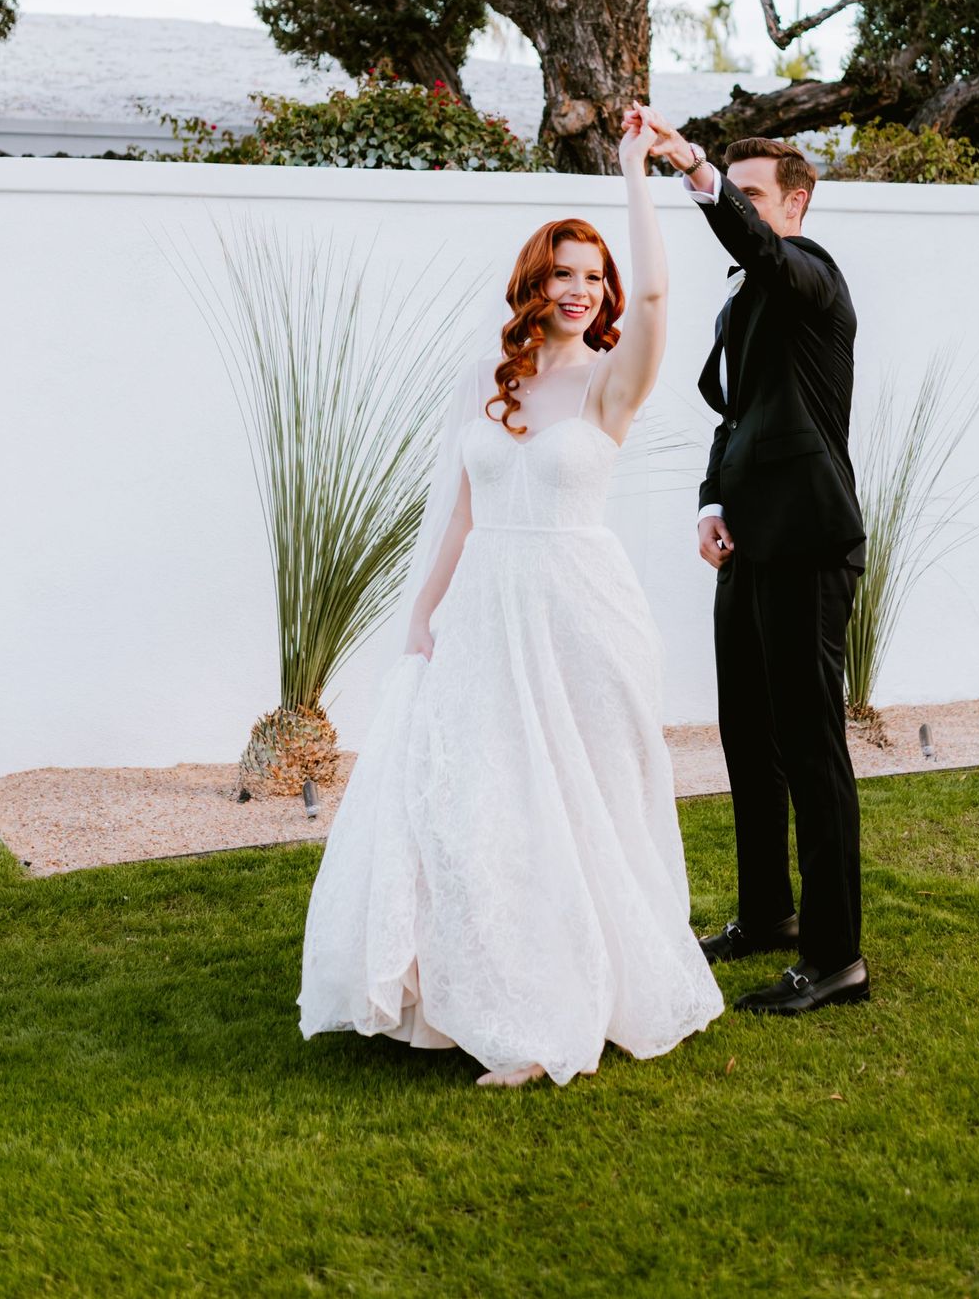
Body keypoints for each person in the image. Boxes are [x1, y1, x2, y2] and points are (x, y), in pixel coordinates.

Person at [298, 104, 723, 1086]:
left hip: (581, 612)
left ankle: (558, 1011)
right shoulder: (489, 383)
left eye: (593, 277)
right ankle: (477, 995)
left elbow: (657, 295)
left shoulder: (614, 383)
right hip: (485, 611)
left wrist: (635, 171)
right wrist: (421, 615)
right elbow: (459, 512)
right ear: (535, 284)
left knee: (577, 806)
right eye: (564, 274)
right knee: (480, 803)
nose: (580, 291)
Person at [639, 115, 870, 1016]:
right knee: (747, 737)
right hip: (745, 545)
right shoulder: (742, 305)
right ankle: (768, 913)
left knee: (812, 748)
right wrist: (710, 504)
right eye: (734, 191)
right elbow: (733, 420)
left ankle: (836, 958)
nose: (741, 205)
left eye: (754, 194)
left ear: (796, 204)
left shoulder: (811, 275)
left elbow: (762, 250)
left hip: (808, 542)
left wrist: (696, 171)